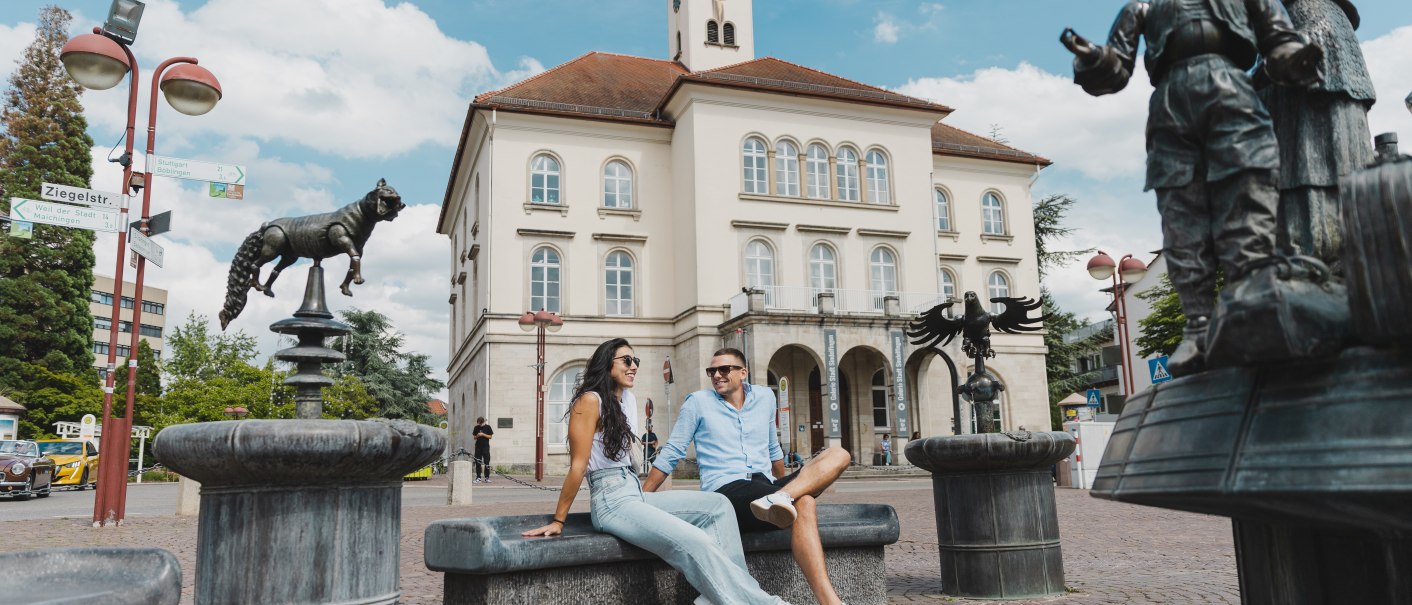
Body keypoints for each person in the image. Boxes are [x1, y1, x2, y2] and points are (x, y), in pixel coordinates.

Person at [1061, 0, 1322, 376]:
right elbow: (1116, 71)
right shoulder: (1143, 8)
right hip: (1171, 103)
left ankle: (1252, 308)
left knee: (1247, 197)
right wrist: (1092, 57)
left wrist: (1296, 58)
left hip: (1231, 89)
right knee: (1182, 217)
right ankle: (1198, 327)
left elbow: (1279, 39)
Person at [522, 339, 789, 605]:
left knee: (719, 506)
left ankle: (719, 597)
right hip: (610, 501)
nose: (633, 366)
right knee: (694, 540)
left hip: (633, 493)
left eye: (635, 361)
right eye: (626, 360)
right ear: (607, 364)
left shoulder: (627, 399)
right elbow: (578, 466)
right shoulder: (589, 401)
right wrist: (559, 521)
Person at [646, 348, 853, 605]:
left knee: (839, 454)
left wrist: (785, 485)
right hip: (725, 491)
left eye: (724, 369)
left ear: (743, 373)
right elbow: (672, 453)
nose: (717, 376)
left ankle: (782, 498)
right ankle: (831, 602)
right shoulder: (698, 402)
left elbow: (773, 448)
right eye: (712, 371)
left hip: (765, 489)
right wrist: (642, 498)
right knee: (807, 502)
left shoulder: (765, 397)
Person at [472, 416, 493, 483]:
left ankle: (487, 477)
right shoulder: (476, 427)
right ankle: (478, 477)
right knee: (478, 462)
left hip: (485, 447)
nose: (480, 425)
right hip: (478, 447)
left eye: (480, 423)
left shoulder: (488, 427)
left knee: (487, 462)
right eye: (479, 423)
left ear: (483, 422)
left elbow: (490, 436)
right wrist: (478, 435)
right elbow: (474, 438)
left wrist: (483, 434)